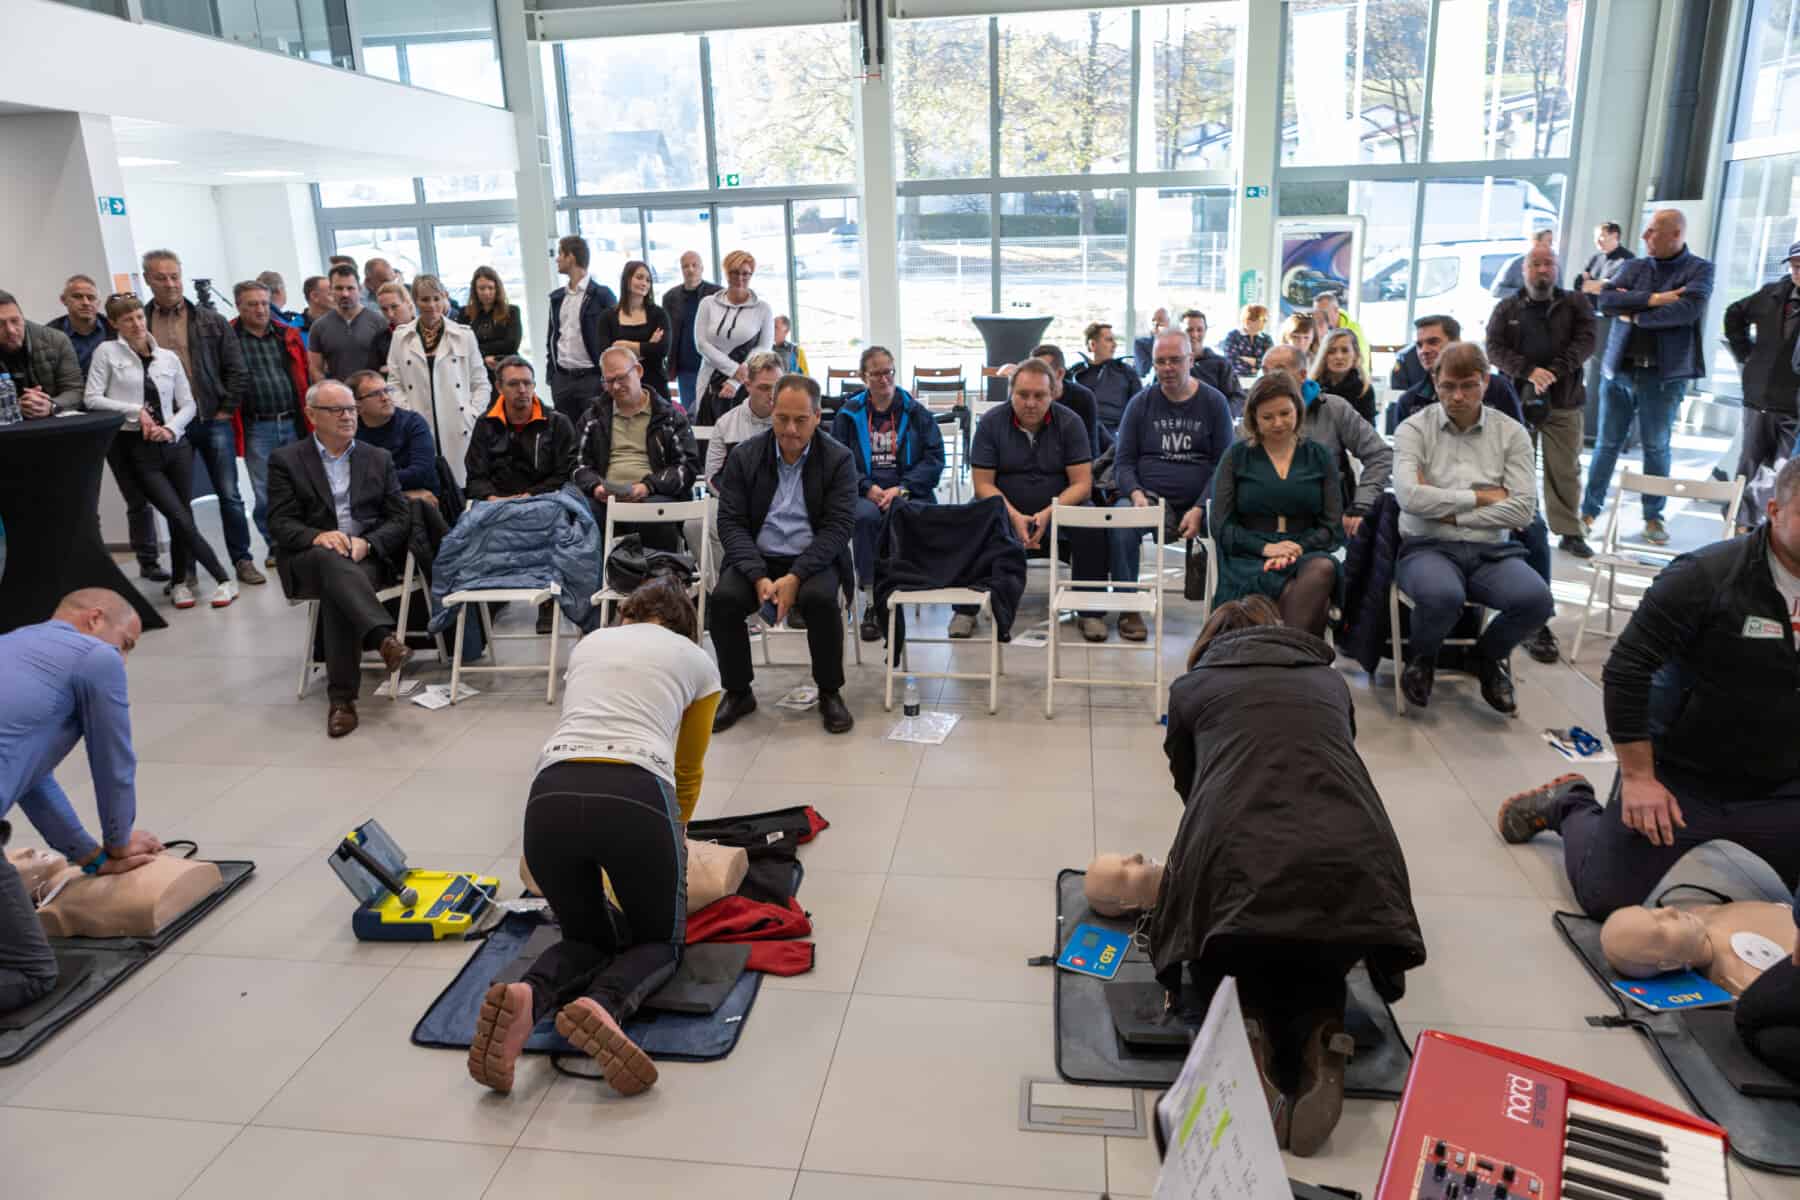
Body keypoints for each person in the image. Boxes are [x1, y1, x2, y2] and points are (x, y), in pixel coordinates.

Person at [1152, 597, 1424, 1157]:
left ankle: (1245, 1027)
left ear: (1210, 645)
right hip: (1354, 859)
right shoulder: (1328, 684)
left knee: (1223, 953)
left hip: (1238, 858)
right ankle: (1323, 1035)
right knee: (1320, 960)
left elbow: (1190, 787)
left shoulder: (1192, 691)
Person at [1497, 458, 1800, 924]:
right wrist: (1640, 777)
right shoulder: (1706, 575)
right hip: (1681, 776)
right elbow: (1627, 668)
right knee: (1605, 898)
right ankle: (1572, 804)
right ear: (1775, 510)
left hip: (1781, 786)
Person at [467, 576, 720, 1098]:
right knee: (659, 942)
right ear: (684, 627)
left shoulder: (589, 644)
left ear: (627, 615)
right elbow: (687, 770)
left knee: (585, 937)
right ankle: (605, 1004)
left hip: (549, 796)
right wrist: (676, 838)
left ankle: (527, 995)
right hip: (635, 792)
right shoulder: (696, 661)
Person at [0, 590, 163, 1015]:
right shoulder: (95, 658)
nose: (122, 660)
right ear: (95, 619)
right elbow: (113, 763)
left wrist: (92, 858)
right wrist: (119, 843)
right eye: (125, 644)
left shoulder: (13, 645)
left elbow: (31, 779)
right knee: (32, 973)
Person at [1392, 342, 1553, 714]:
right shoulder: (1413, 429)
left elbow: (1522, 510)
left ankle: (1486, 657)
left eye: (1468, 385)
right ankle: (1423, 658)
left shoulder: (1511, 433)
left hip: (1492, 551)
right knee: (1442, 595)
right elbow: (1410, 499)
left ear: (1485, 382)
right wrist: (1481, 498)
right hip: (1428, 545)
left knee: (1537, 601)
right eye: (1448, 386)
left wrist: (1448, 509)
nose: (1458, 396)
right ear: (1434, 382)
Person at [708, 373, 858, 735]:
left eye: (800, 420)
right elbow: (730, 523)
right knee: (724, 601)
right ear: (771, 411)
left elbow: (838, 529)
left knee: (821, 600)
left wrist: (796, 576)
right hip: (758, 557)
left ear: (818, 416)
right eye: (782, 418)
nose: (790, 429)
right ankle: (738, 690)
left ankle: (829, 691)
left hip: (813, 558)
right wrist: (759, 575)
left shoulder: (838, 459)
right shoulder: (745, 456)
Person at [266, 381, 413, 737]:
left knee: (339, 584)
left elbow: (400, 517)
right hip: (308, 560)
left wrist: (369, 543)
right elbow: (280, 522)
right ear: (311, 415)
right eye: (337, 410)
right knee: (331, 562)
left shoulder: (377, 458)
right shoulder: (286, 460)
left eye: (351, 409)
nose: (348, 416)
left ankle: (343, 701)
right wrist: (317, 536)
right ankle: (382, 638)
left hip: (364, 560)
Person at [85, 293, 238, 610]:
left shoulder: (167, 357)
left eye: (139, 316)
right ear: (114, 323)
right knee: (177, 515)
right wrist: (134, 411)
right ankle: (224, 578)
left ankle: (181, 582)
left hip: (173, 444)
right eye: (127, 319)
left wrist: (170, 428)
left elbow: (188, 403)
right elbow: (92, 398)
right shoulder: (106, 352)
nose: (136, 324)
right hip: (137, 447)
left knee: (182, 513)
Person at [1582, 208, 1715, 546]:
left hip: (1664, 376)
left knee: (1656, 447)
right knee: (1607, 444)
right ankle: (1587, 512)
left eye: (1653, 231)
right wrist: (1655, 299)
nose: (1644, 238)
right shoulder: (1635, 265)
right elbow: (1608, 300)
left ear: (1676, 234)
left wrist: (1637, 316)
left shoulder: (1699, 269)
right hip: (1619, 371)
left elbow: (1687, 311)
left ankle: (1653, 517)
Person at [956, 358, 1106, 640]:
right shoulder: (991, 423)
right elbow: (982, 484)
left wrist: (1050, 513)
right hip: (1005, 509)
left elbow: (1083, 484)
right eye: (1023, 395)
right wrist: (1013, 516)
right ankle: (965, 609)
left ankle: (1090, 610)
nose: (1031, 403)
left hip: (1059, 508)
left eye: (1040, 396)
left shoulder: (1071, 423)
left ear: (1054, 394)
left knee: (1091, 520)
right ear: (1011, 393)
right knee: (973, 515)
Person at [140, 249, 259, 586]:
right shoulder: (141, 322)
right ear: (148, 279)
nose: (170, 283)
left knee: (230, 494)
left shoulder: (210, 320)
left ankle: (243, 560)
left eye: (174, 276)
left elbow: (237, 369)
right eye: (161, 277)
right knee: (179, 502)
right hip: (170, 425)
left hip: (211, 418)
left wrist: (225, 409)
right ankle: (188, 569)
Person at [1107, 330, 1235, 640]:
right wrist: (1136, 494)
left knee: (1233, 526)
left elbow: (1225, 466)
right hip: (1148, 497)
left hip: (1200, 500)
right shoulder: (1140, 404)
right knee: (1120, 521)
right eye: (1160, 361)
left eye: (1175, 360)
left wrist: (1199, 508)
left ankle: (1228, 612)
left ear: (1191, 360)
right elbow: (1122, 462)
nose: (1167, 368)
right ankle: (1130, 606)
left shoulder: (1214, 402)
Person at [1485, 243, 1598, 558]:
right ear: (1524, 270)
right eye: (1535, 264)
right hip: (1517, 402)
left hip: (1565, 400)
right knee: (1514, 468)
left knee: (1565, 469)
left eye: (1548, 263)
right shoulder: (1507, 308)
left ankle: (1569, 532)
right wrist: (1527, 371)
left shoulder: (1576, 304)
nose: (1542, 269)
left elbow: (1587, 341)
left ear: (1557, 268)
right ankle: (1518, 525)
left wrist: (1553, 372)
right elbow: (1493, 348)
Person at [1209, 375, 1343, 637]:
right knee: (1315, 600)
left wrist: (1296, 549)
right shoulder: (1236, 457)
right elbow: (1221, 526)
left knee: (1323, 568)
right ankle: (1294, 662)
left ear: (1298, 410)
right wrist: (1266, 548)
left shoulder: (1319, 456)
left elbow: (1332, 527)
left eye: (1285, 413)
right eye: (1268, 417)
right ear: (1254, 419)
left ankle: (1280, 659)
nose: (1278, 423)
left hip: (1304, 547)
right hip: (1248, 554)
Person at [831, 345, 945, 639]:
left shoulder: (915, 412)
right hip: (864, 491)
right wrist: (866, 488)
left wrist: (903, 488)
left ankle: (908, 587)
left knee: (909, 513)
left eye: (889, 372)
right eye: (877, 374)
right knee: (865, 518)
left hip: (907, 489)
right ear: (863, 376)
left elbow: (934, 459)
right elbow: (837, 461)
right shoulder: (849, 415)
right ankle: (873, 601)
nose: (884, 379)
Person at [573, 345, 699, 553]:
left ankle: (660, 577)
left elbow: (687, 467)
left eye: (621, 377)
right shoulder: (592, 417)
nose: (615, 386)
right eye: (609, 381)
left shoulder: (669, 416)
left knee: (656, 512)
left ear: (638, 371)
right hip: (606, 496)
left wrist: (647, 487)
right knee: (581, 512)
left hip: (654, 494)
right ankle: (600, 579)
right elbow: (578, 465)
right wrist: (596, 487)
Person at [1263, 344, 1392, 539]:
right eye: (1265, 371)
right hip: (1266, 519)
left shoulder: (1334, 408)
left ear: (1302, 374)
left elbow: (1380, 455)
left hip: (1326, 521)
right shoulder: (1254, 414)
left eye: (1279, 369)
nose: (1269, 377)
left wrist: (1362, 504)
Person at [231, 279, 311, 569]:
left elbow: (303, 374)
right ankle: (275, 546)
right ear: (239, 306)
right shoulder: (229, 337)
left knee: (301, 485)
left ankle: (301, 540)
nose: (261, 310)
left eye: (265, 303)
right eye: (252, 304)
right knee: (264, 491)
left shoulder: (285, 334)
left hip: (293, 420)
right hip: (257, 426)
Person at [386, 273, 489, 489]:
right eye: (424, 299)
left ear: (444, 298)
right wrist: (408, 413)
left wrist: (471, 413)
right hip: (418, 422)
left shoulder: (464, 335)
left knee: (462, 487)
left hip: (458, 425)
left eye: (436, 298)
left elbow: (481, 382)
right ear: (415, 301)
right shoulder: (401, 336)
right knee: (429, 487)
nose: (431, 305)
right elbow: (394, 383)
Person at [1723, 242, 1800, 527]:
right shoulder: (1772, 294)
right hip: (1758, 397)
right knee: (1749, 465)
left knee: (1784, 471)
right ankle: (1738, 525)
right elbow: (1734, 314)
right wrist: (1746, 355)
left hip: (1793, 404)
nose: (1797, 270)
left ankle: (1764, 528)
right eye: (1793, 265)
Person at [694, 250, 775, 422]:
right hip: (709, 378)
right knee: (707, 429)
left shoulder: (763, 309)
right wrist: (733, 369)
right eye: (734, 272)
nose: (740, 278)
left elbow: (763, 349)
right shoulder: (707, 303)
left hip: (746, 382)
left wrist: (736, 380)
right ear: (726, 273)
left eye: (745, 273)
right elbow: (701, 343)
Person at [546, 235, 618, 428]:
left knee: (595, 433)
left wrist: (606, 376)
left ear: (571, 257)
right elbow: (552, 337)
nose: (557, 259)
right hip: (562, 380)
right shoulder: (557, 298)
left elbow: (615, 336)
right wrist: (551, 375)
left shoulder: (602, 295)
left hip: (591, 379)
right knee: (565, 437)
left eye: (561, 253)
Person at [351, 370, 440, 506]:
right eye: (375, 394)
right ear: (357, 406)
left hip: (423, 505)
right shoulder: (351, 431)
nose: (385, 397)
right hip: (374, 505)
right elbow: (348, 480)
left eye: (387, 390)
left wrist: (372, 482)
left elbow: (422, 473)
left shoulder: (413, 422)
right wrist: (403, 495)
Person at [0, 288, 82, 422]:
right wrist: (13, 406)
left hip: (54, 425)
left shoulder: (56, 340)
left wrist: (51, 405)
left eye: (15, 320)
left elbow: (75, 391)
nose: (11, 330)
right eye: (0, 324)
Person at [704, 350, 782, 484]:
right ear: (748, 386)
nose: (772, 394)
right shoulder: (725, 424)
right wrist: (739, 499)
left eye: (778, 387)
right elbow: (712, 477)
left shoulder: (793, 423)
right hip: (737, 502)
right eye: (764, 388)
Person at [597, 260, 670, 399]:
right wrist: (647, 346)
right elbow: (605, 356)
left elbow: (661, 350)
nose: (644, 283)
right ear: (627, 279)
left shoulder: (658, 314)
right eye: (639, 277)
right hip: (619, 387)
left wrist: (623, 346)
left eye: (648, 280)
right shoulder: (607, 317)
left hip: (656, 386)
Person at [661, 250, 721, 412]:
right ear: (681, 270)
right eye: (686, 266)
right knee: (690, 412)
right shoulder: (670, 297)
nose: (690, 269)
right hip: (685, 367)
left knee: (714, 411)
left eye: (694, 265)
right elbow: (668, 330)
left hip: (713, 365)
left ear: (702, 268)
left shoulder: (717, 293)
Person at [308, 263, 388, 383]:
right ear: (330, 290)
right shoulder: (319, 327)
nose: (345, 294)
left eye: (350, 288)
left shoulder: (379, 322)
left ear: (359, 289)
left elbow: (390, 365)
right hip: (338, 398)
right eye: (339, 288)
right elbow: (315, 369)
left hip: (374, 396)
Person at [1073, 320, 1140, 439]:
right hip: (1082, 432)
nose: (1115, 345)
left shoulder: (1126, 372)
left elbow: (1139, 407)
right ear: (1093, 345)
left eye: (1114, 340)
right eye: (1109, 340)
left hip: (1116, 432)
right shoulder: (1075, 373)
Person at [465, 266, 521, 393]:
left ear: (497, 289)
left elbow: (512, 344)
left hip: (506, 369)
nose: (486, 292)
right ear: (475, 290)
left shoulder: (511, 311)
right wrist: (484, 356)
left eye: (490, 288)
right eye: (482, 288)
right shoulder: (465, 314)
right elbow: (464, 345)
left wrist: (487, 353)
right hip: (477, 372)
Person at [1181, 309, 1246, 414]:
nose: (1194, 334)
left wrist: (1220, 416)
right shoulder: (1170, 364)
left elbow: (1238, 398)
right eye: (1189, 330)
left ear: (1205, 331)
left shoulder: (1221, 364)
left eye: (1199, 330)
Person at [47, 274, 113, 376]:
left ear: (98, 302)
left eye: (91, 298)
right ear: (63, 300)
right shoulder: (48, 335)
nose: (86, 302)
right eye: (77, 297)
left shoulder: (115, 329)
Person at [1310, 327, 1375, 426]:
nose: (1338, 356)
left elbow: (1369, 433)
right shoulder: (1312, 387)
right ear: (1324, 356)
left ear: (1355, 355)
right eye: (1331, 351)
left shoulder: (1364, 390)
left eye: (1345, 350)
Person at [1311, 292, 1368, 377]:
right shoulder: (1317, 329)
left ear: (1336, 310)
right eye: (1317, 313)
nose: (1320, 316)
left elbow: (1360, 360)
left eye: (1324, 313)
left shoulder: (1353, 330)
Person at [1489, 229, 1556, 298]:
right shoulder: (1515, 264)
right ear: (1535, 242)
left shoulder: (1555, 266)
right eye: (1549, 241)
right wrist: (1525, 293)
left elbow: (1559, 293)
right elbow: (1496, 291)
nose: (1551, 245)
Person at [1220, 304, 1273, 377]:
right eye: (1263, 319)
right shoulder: (1232, 336)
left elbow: (1271, 362)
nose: (1266, 322)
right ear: (1249, 321)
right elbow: (1231, 361)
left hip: (1261, 381)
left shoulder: (1267, 339)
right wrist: (1254, 370)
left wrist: (1249, 360)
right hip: (1236, 380)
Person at [372, 281, 414, 368]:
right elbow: (375, 372)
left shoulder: (426, 330)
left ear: (408, 303)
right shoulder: (380, 339)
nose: (390, 314)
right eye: (384, 309)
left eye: (394, 306)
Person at [1133, 307, 1169, 377]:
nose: (1156, 323)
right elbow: (1144, 372)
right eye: (1153, 320)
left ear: (1168, 322)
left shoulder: (1177, 344)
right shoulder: (1140, 344)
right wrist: (1158, 340)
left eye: (1160, 320)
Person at [297, 274, 331, 342]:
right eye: (331, 294)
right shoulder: (293, 331)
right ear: (314, 296)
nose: (338, 298)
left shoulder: (345, 323)